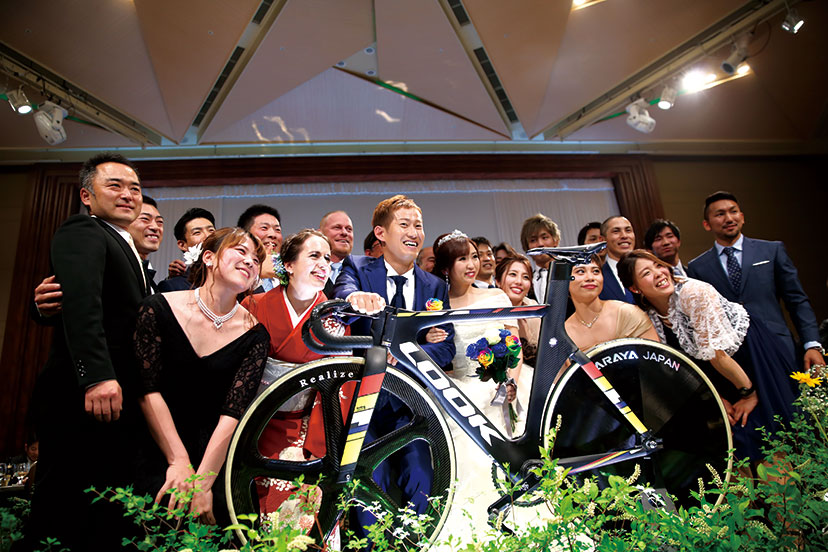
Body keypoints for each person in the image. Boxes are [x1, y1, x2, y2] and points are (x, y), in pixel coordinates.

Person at [27, 152, 151, 551]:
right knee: (65, 505)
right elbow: (82, 303)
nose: (128, 194)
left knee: (102, 506)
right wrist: (97, 376)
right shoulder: (83, 229)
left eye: (135, 188)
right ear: (86, 195)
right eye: (115, 185)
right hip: (85, 393)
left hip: (117, 395)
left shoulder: (125, 243)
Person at [134, 227, 268, 527]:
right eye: (241, 251)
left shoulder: (255, 334)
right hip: (154, 443)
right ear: (209, 257)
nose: (250, 261)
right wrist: (178, 461)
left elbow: (232, 414)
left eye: (257, 259)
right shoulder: (157, 308)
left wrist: (203, 483)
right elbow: (147, 389)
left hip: (214, 456)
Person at [334, 195, 454, 523]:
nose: (414, 232)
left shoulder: (434, 286)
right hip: (364, 400)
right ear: (381, 233)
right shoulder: (357, 268)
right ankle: (369, 545)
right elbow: (342, 297)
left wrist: (405, 355)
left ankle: (416, 541)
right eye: (404, 224)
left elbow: (447, 347)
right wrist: (353, 298)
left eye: (418, 225)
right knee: (370, 482)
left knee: (422, 478)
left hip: (411, 403)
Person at [618, 250, 798, 463]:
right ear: (635, 288)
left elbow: (717, 355)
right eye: (647, 273)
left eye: (658, 265)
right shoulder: (649, 316)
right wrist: (717, 399)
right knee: (736, 443)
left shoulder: (693, 293)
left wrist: (749, 394)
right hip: (718, 374)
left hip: (749, 359)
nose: (658, 273)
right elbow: (676, 367)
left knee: (770, 434)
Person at [242, 229, 351, 531]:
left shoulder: (334, 320)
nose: (323, 264)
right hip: (256, 423)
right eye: (314, 255)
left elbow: (340, 386)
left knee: (305, 512)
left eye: (327, 258)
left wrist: (318, 443)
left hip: (308, 428)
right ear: (288, 265)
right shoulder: (254, 306)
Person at [431, 230, 524, 546]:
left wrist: (510, 381)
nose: (472, 264)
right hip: (456, 390)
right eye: (462, 259)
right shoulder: (436, 305)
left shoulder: (495, 297)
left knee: (506, 463)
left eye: (474, 256)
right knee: (468, 465)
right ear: (446, 267)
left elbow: (514, 346)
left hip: (497, 390)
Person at [687, 191, 824, 373]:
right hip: (736, 358)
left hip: (779, 345)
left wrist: (812, 344)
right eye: (720, 214)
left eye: (733, 211)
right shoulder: (698, 267)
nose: (729, 218)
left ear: (742, 217)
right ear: (707, 224)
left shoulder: (771, 250)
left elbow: (797, 301)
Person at [32, 194, 165, 316]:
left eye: (160, 222)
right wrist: (42, 306)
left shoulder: (150, 277)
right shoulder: (103, 262)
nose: (155, 227)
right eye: (145, 219)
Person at [563, 256, 657, 353]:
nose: (590, 278)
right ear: (564, 281)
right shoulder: (564, 334)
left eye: (596, 271)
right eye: (580, 271)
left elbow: (657, 356)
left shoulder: (628, 313)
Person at [495, 255, 540, 366]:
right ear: (498, 281)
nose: (519, 281)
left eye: (525, 277)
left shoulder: (535, 311)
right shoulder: (489, 312)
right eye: (513, 274)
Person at [159, 207, 216, 292]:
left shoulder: (232, 280)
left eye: (211, 230)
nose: (208, 236)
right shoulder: (174, 286)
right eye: (197, 232)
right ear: (182, 245)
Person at [238, 204, 283, 293]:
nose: (272, 235)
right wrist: (255, 272)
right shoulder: (235, 271)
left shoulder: (288, 274)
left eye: (277, 230)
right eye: (264, 228)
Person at [519, 214, 561, 303]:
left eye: (544, 237)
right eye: (533, 240)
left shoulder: (571, 272)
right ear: (527, 247)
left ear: (556, 241)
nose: (540, 244)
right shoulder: (526, 281)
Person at [598, 216, 636, 304]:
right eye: (616, 231)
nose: (624, 236)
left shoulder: (652, 269)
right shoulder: (598, 279)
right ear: (602, 240)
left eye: (628, 230)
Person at [319, 210, 354, 297]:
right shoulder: (309, 270)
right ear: (320, 234)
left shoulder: (363, 272)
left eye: (349, 229)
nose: (344, 233)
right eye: (337, 228)